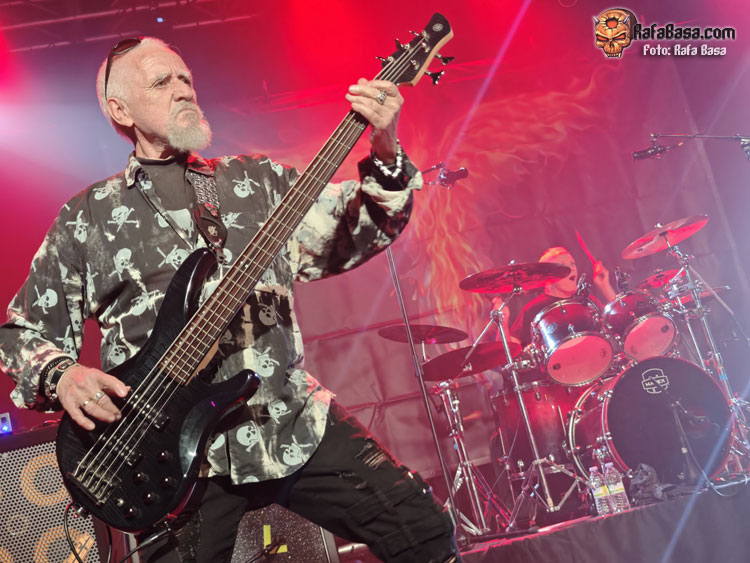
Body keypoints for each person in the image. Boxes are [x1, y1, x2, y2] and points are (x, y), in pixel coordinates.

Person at [0, 37, 460, 563]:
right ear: (120, 110)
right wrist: (64, 376)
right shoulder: (89, 218)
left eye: (185, 78)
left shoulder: (255, 181)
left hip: (285, 419)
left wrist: (384, 148)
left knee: (423, 531)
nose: (182, 90)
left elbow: (359, 228)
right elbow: (21, 333)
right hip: (172, 457)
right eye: (161, 82)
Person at [494, 246, 617, 348]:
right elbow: (508, 353)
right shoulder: (533, 310)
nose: (572, 268)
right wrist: (502, 323)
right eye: (563, 265)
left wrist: (605, 286)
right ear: (548, 276)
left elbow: (619, 321)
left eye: (573, 263)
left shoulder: (587, 301)